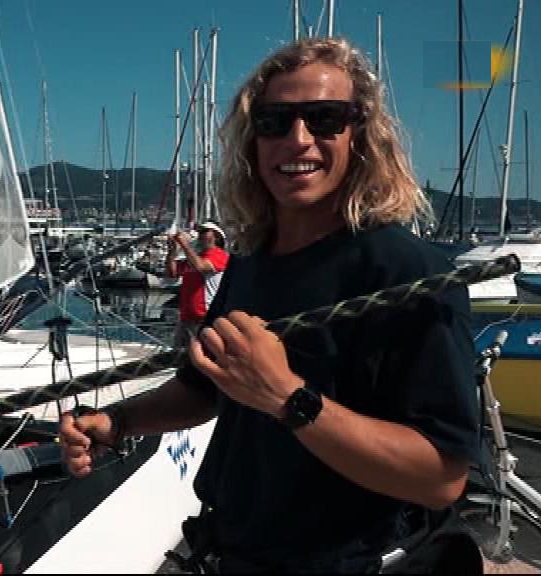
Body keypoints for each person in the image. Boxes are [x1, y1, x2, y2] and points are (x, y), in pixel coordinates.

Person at [59, 37, 480, 573]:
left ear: (360, 135)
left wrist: (285, 396)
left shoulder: (408, 272)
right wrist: (118, 421)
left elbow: (440, 478)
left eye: (325, 118)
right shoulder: (253, 260)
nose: (298, 139)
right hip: (234, 551)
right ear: (253, 141)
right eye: (274, 121)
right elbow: (205, 388)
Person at [165, 221, 230, 347]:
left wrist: (184, 244)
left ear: (217, 236)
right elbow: (171, 273)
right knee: (179, 354)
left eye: (204, 231)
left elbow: (201, 267)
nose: (200, 234)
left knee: (202, 355)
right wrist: (172, 251)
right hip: (186, 317)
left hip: (205, 317)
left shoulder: (220, 255)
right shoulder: (194, 257)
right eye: (199, 231)